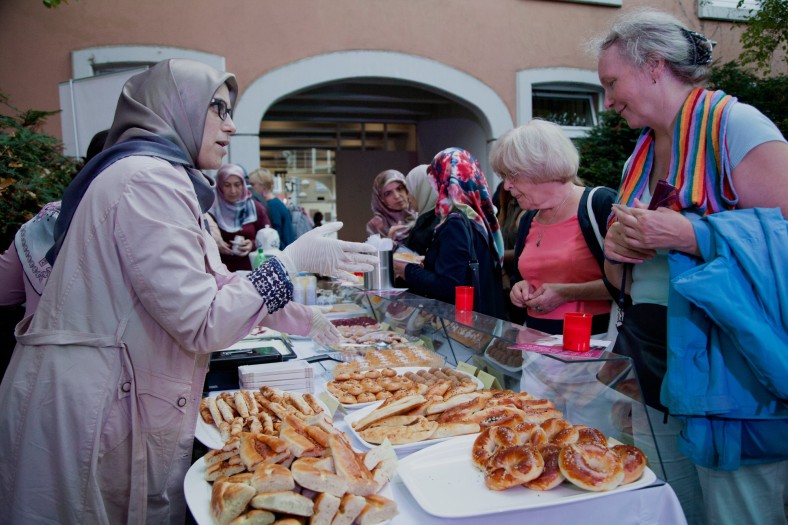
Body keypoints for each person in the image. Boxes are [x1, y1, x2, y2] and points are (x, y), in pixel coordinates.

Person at [0, 58, 376, 524]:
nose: (231, 124)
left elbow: (214, 282)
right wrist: (290, 263)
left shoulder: (158, 175)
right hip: (94, 411)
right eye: (218, 108)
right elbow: (203, 321)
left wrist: (302, 317)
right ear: (175, 107)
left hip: (106, 397)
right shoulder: (148, 178)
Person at [593, 10, 788, 525]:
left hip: (729, 374)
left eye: (612, 83)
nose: (608, 100)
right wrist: (618, 247)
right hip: (653, 356)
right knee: (667, 506)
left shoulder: (737, 126)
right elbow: (627, 272)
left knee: (735, 512)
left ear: (655, 66)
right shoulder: (642, 149)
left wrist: (692, 234)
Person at [489, 119, 615, 335]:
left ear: (540, 168)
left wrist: (567, 293)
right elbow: (523, 276)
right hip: (535, 342)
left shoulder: (599, 204)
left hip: (592, 346)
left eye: (512, 176)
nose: (507, 186)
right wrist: (519, 288)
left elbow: (629, 285)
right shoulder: (529, 218)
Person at [393, 147, 506, 318]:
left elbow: (448, 285)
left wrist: (406, 269)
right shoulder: (478, 216)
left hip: (466, 324)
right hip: (485, 318)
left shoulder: (455, 223)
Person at [208, 163, 271, 271]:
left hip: (252, 271)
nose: (233, 191)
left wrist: (252, 244)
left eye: (237, 185)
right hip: (220, 272)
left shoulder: (255, 208)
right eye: (227, 185)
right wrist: (216, 245)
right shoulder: (211, 210)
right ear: (219, 186)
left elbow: (268, 237)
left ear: (243, 185)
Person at [365, 169, 417, 244]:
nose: (397, 196)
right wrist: (388, 241)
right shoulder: (375, 226)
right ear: (381, 199)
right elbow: (374, 254)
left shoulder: (423, 214)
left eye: (399, 188)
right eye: (388, 193)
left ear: (407, 189)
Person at [248, 167, 295, 249]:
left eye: (253, 184)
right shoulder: (275, 203)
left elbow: (275, 235)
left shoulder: (272, 206)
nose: (250, 188)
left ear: (263, 186)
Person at [402, 164, 439, 256]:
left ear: (420, 188)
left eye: (409, 190)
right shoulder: (426, 219)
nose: (407, 197)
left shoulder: (432, 223)